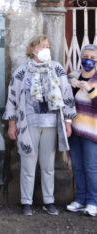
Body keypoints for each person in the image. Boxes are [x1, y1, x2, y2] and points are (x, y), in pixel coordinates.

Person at [3, 35, 76, 216]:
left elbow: (67, 95)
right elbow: (12, 98)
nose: (46, 49)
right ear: (33, 49)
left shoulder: (57, 69)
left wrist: (68, 121)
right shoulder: (22, 71)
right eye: (43, 46)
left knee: (48, 165)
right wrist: (12, 125)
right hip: (28, 125)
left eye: (48, 46)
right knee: (28, 164)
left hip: (51, 124)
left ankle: (49, 201)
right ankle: (26, 202)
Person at [66, 44, 97, 217]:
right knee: (77, 166)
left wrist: (89, 89)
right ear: (80, 56)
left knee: (91, 167)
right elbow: (64, 97)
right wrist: (71, 83)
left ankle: (93, 202)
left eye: (93, 58)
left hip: (91, 131)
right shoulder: (73, 74)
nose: (89, 60)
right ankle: (80, 199)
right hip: (73, 130)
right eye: (86, 56)